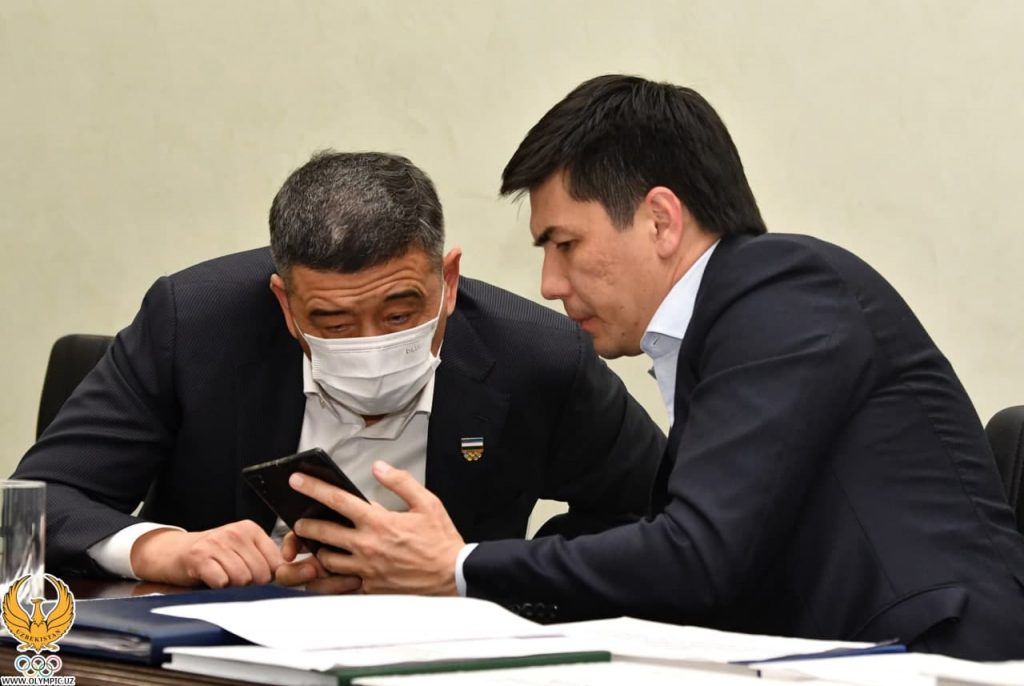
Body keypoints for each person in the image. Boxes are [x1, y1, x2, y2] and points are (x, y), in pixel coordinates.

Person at [279, 77, 1024, 660]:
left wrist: (459, 566)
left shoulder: (785, 292)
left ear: (661, 221)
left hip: (937, 659)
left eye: (564, 244)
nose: (550, 284)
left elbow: (697, 558)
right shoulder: (726, 323)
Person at [12, 150, 664, 589]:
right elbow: (30, 507)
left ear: (448, 280)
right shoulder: (196, 326)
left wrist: (471, 568)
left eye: (400, 311)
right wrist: (161, 548)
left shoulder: (537, 357)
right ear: (285, 303)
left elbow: (661, 517)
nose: (371, 345)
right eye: (334, 322)